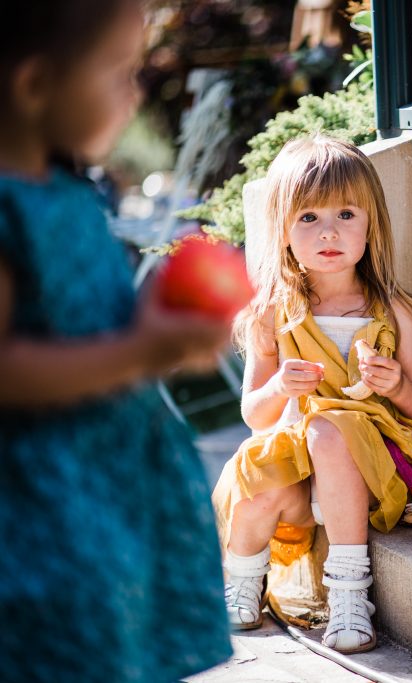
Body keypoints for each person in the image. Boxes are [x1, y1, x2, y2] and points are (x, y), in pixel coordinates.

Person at [0, 2, 234, 682]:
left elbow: (73, 321)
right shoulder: (9, 207)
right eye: (120, 73)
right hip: (42, 518)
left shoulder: (72, 192)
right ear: (36, 85)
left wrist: (160, 322)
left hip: (102, 503)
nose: (136, 93)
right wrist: (144, 351)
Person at [212, 134, 412, 654]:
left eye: (345, 214)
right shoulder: (275, 312)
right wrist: (277, 386)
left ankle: (348, 595)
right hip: (299, 474)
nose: (329, 232)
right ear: (284, 231)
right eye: (308, 218)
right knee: (257, 473)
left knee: (328, 427)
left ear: (371, 224)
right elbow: (254, 414)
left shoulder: (389, 311)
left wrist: (399, 386)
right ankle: (243, 583)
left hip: (367, 469)